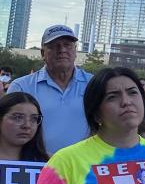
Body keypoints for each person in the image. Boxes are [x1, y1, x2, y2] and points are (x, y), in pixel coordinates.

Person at [9, 25, 91, 154]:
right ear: (43, 53)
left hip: (82, 167)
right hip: (35, 166)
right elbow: (8, 132)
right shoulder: (21, 86)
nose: (62, 50)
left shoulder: (93, 85)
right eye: (54, 46)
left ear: (75, 51)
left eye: (67, 45)